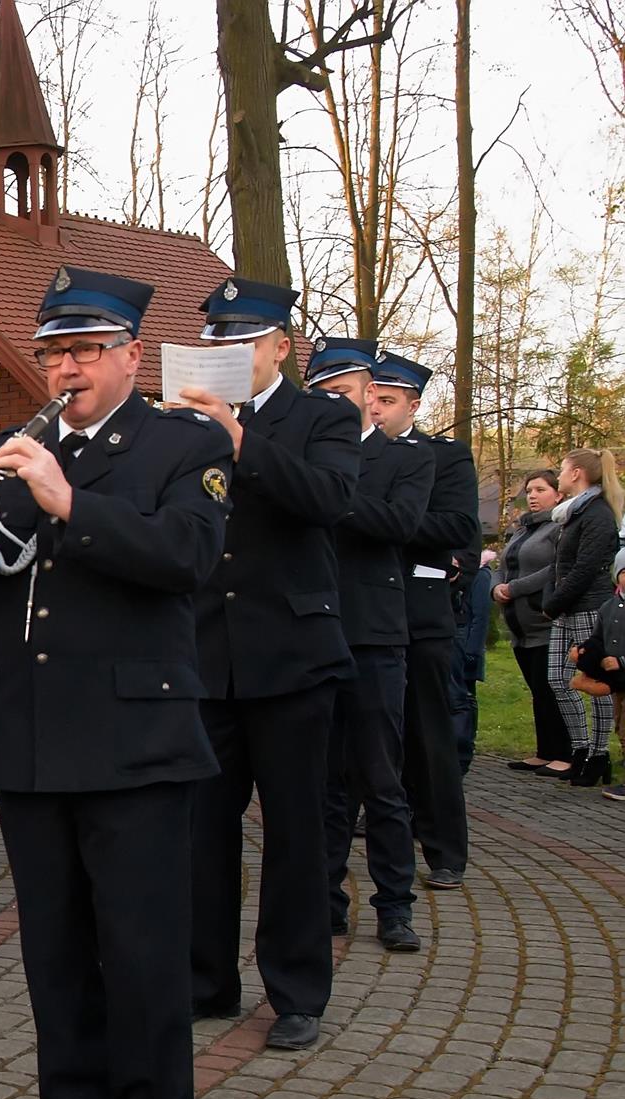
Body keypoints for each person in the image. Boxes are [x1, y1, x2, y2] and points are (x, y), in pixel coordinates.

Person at [0, 266, 231, 1099]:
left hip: (134, 738)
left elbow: (186, 556)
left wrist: (66, 501)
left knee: (139, 947)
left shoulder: (181, 444)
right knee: (55, 949)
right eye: (54, 352)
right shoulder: (17, 448)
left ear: (130, 355)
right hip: (28, 735)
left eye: (86, 350)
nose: (66, 368)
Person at [174, 276, 357, 1053]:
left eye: (243, 340)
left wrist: (240, 440)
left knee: (294, 833)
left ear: (279, 347)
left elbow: (329, 498)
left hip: (291, 658)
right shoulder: (183, 424)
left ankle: (296, 990)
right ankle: (206, 979)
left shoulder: (323, 417)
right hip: (206, 656)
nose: (228, 352)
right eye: (215, 340)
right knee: (201, 832)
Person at [312, 338, 433, 954]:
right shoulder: (301, 456)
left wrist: (326, 490)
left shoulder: (405, 457)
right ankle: (325, 902)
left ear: (369, 395)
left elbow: (400, 523)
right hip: (311, 630)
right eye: (323, 394)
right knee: (322, 783)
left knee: (380, 779)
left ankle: (395, 906)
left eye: (344, 392)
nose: (334, 403)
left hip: (373, 636)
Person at [370, 352, 479, 890]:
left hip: (418, 611)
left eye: (388, 401)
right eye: (372, 398)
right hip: (362, 609)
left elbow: (459, 526)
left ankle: (444, 850)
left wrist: (389, 520)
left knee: (428, 731)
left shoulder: (444, 457)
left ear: (413, 406)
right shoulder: (345, 453)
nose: (376, 409)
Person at [542, 448, 625, 787]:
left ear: (576, 473)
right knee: (557, 678)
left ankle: (598, 753)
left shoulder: (597, 514)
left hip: (589, 606)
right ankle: (580, 747)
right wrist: (554, 599)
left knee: (596, 681)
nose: (558, 476)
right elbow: (561, 565)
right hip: (567, 607)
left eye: (562, 469)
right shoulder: (573, 513)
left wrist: (552, 603)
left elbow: (585, 568)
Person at [495, 471, 572, 773]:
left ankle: (565, 753)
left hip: (545, 623)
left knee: (551, 689)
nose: (532, 496)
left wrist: (514, 588)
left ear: (558, 494)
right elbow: (503, 566)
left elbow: (556, 568)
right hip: (520, 627)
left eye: (540, 489)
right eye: (529, 490)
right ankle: (545, 751)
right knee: (538, 691)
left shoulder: (560, 528)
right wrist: (496, 587)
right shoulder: (521, 530)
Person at [569, 547, 625, 800]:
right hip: (617, 682)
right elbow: (597, 638)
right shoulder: (608, 607)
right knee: (620, 726)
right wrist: (584, 651)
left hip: (621, 670)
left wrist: (621, 661)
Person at [454, 548, 496, 770]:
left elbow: (481, 615)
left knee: (467, 696)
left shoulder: (480, 574)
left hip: (468, 644)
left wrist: (473, 649)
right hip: (456, 641)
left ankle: (467, 740)